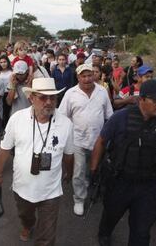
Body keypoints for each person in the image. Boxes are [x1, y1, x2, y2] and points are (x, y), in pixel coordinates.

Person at [90, 79, 156, 246]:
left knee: (142, 231)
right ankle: (105, 233)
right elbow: (101, 141)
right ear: (142, 99)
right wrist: (93, 170)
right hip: (119, 181)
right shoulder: (121, 117)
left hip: (147, 186)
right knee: (111, 214)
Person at [0, 77, 74, 245]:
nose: (49, 102)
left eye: (53, 97)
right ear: (31, 98)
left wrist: (69, 173)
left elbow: (69, 154)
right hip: (22, 187)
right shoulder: (17, 119)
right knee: (25, 215)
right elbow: (5, 148)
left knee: (47, 235)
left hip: (51, 190)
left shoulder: (66, 124)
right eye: (43, 97)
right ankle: (27, 225)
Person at [59, 64, 113, 216]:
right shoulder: (71, 93)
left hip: (98, 140)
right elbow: (63, 116)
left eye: (90, 75)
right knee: (78, 171)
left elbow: (109, 115)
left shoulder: (102, 91)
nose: (87, 79)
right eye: (84, 76)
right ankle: (79, 199)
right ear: (78, 77)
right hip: (77, 139)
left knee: (93, 168)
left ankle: (89, 185)